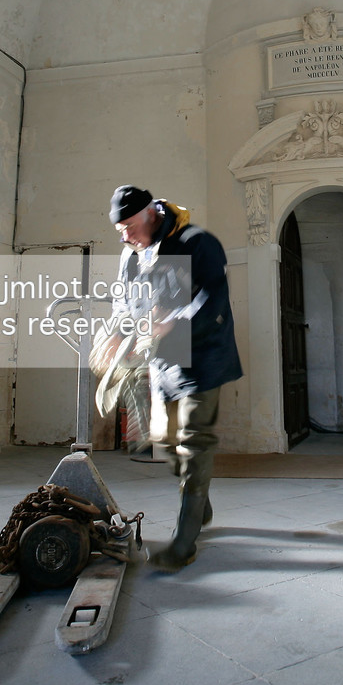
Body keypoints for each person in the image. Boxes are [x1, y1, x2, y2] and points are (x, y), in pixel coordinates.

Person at [103, 184, 242, 570]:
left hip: (204, 355)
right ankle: (201, 506)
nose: (126, 236)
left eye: (130, 226)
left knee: (194, 443)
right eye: (121, 231)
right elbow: (123, 298)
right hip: (165, 359)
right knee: (164, 440)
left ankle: (184, 540)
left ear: (151, 214)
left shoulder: (197, 241)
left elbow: (213, 296)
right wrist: (118, 331)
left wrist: (172, 323)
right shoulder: (131, 254)